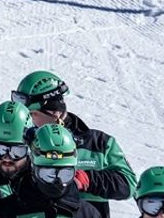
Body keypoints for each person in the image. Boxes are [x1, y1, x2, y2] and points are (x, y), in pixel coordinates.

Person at [12, 71, 136, 217]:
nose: (28, 121)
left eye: (32, 114)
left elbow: (128, 184)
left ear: (54, 112)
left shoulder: (98, 143)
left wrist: (88, 180)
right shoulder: (24, 144)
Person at [0, 124, 102, 218]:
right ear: (33, 169)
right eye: (48, 174)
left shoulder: (88, 213)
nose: (57, 182)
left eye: (65, 174)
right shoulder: (5, 211)